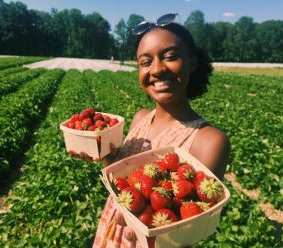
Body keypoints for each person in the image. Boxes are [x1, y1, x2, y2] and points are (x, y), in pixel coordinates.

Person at [73, 13, 230, 248]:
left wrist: (141, 225)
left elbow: (191, 227)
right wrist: (102, 152)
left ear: (192, 62)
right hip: (111, 233)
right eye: (145, 62)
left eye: (170, 57)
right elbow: (121, 182)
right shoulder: (140, 118)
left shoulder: (210, 141)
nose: (156, 70)